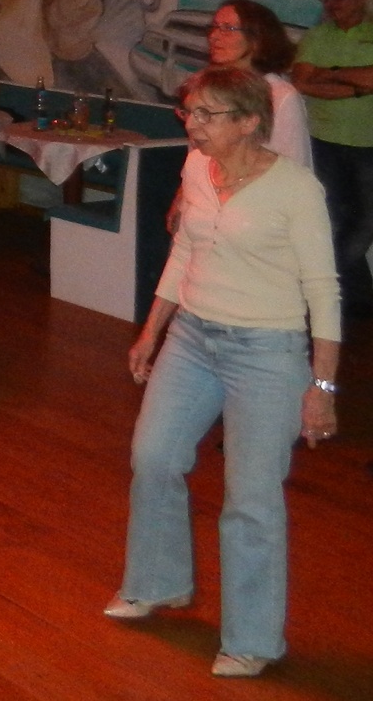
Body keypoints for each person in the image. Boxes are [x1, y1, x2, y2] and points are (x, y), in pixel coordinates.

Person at [108, 67, 340, 681]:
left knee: (251, 497)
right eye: (191, 112)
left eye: (207, 114)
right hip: (192, 338)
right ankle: (158, 582)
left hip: (267, 352)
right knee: (154, 457)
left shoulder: (296, 188)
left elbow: (324, 290)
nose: (193, 124)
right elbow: (185, 250)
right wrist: (152, 330)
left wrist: (322, 386)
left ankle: (253, 639)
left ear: (249, 122)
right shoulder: (196, 168)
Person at [173, 0, 309, 233]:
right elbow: (198, 155)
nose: (214, 36)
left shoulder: (280, 96)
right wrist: (182, 198)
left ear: (257, 39)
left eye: (228, 28)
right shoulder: (206, 89)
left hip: (253, 221)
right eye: (214, 27)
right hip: (203, 212)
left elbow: (296, 169)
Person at [290, 0, 373, 313]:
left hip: (368, 144)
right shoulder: (317, 36)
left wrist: (329, 73)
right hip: (324, 141)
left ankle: (326, 288)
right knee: (331, 220)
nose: (331, 3)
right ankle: (351, 300)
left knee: (365, 223)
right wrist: (355, 88)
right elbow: (301, 82)